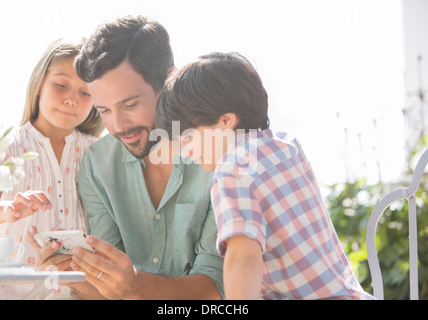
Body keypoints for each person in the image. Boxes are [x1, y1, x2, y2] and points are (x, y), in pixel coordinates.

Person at [155, 52, 375, 300]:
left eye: (187, 138)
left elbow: (243, 258)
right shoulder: (286, 146)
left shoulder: (232, 170)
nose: (185, 151)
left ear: (226, 120)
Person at [53, 15, 224, 300]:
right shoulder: (97, 165)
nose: (118, 126)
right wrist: (70, 276)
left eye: (130, 104)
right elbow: (111, 292)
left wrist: (135, 285)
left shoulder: (218, 154)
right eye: (104, 110)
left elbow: (218, 288)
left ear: (169, 80)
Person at [0, 38, 104, 299]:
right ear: (39, 84)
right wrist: (6, 209)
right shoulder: (3, 144)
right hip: (6, 289)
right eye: (61, 85)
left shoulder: (98, 152)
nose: (72, 99)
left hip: (74, 290)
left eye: (85, 92)